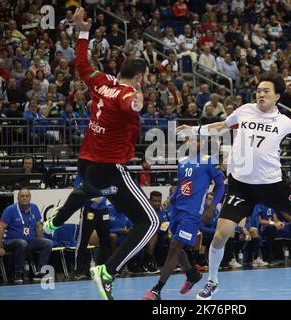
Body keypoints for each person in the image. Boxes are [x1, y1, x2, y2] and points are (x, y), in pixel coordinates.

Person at [177, 71, 291, 300]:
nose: (260, 94)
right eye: (258, 90)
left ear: (277, 95)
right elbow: (221, 126)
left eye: (266, 91)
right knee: (221, 235)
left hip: (272, 186)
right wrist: (194, 130)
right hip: (241, 186)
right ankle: (212, 281)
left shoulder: (284, 122)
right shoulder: (244, 111)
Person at [43, 7, 159, 300]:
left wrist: (83, 32)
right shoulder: (125, 95)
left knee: (91, 191)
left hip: (87, 163)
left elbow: (82, 66)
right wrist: (137, 101)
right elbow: (129, 106)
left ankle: (55, 220)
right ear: (140, 78)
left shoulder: (101, 82)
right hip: (110, 166)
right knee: (151, 222)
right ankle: (108, 270)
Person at [142, 136, 225, 300]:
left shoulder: (210, 160)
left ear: (203, 143)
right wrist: (171, 200)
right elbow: (182, 185)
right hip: (177, 209)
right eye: (190, 139)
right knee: (176, 249)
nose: (194, 142)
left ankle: (157, 290)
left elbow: (221, 185)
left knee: (175, 245)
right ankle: (192, 274)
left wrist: (211, 207)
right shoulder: (183, 161)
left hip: (193, 213)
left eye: (198, 140)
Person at [0, 188, 53, 284]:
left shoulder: (34, 207)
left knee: (48, 243)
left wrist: (40, 241)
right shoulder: (10, 210)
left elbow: (38, 226)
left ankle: (40, 272)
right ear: (17, 198)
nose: (24, 198)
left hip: (29, 241)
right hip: (11, 241)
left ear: (30, 197)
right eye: (22, 196)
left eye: (27, 196)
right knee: (22, 243)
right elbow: (1, 228)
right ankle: (18, 273)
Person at [73, 176, 112, 280]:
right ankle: (79, 271)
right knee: (83, 240)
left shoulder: (101, 173)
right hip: (88, 210)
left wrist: (102, 196)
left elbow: (110, 188)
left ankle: (106, 270)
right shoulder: (81, 175)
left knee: (106, 241)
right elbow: (77, 191)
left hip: (103, 210)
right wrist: (92, 198)